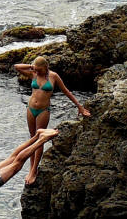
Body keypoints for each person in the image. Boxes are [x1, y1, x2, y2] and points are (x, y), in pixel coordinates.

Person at [12, 56, 90, 184]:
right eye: (35, 70)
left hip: (43, 110)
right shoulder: (33, 73)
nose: (37, 72)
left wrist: (80, 107)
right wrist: (32, 67)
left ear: (46, 67)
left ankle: (34, 170)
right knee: (32, 138)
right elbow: (17, 67)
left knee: (40, 139)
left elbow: (66, 91)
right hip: (30, 108)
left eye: (39, 70)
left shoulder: (54, 76)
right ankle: (31, 168)